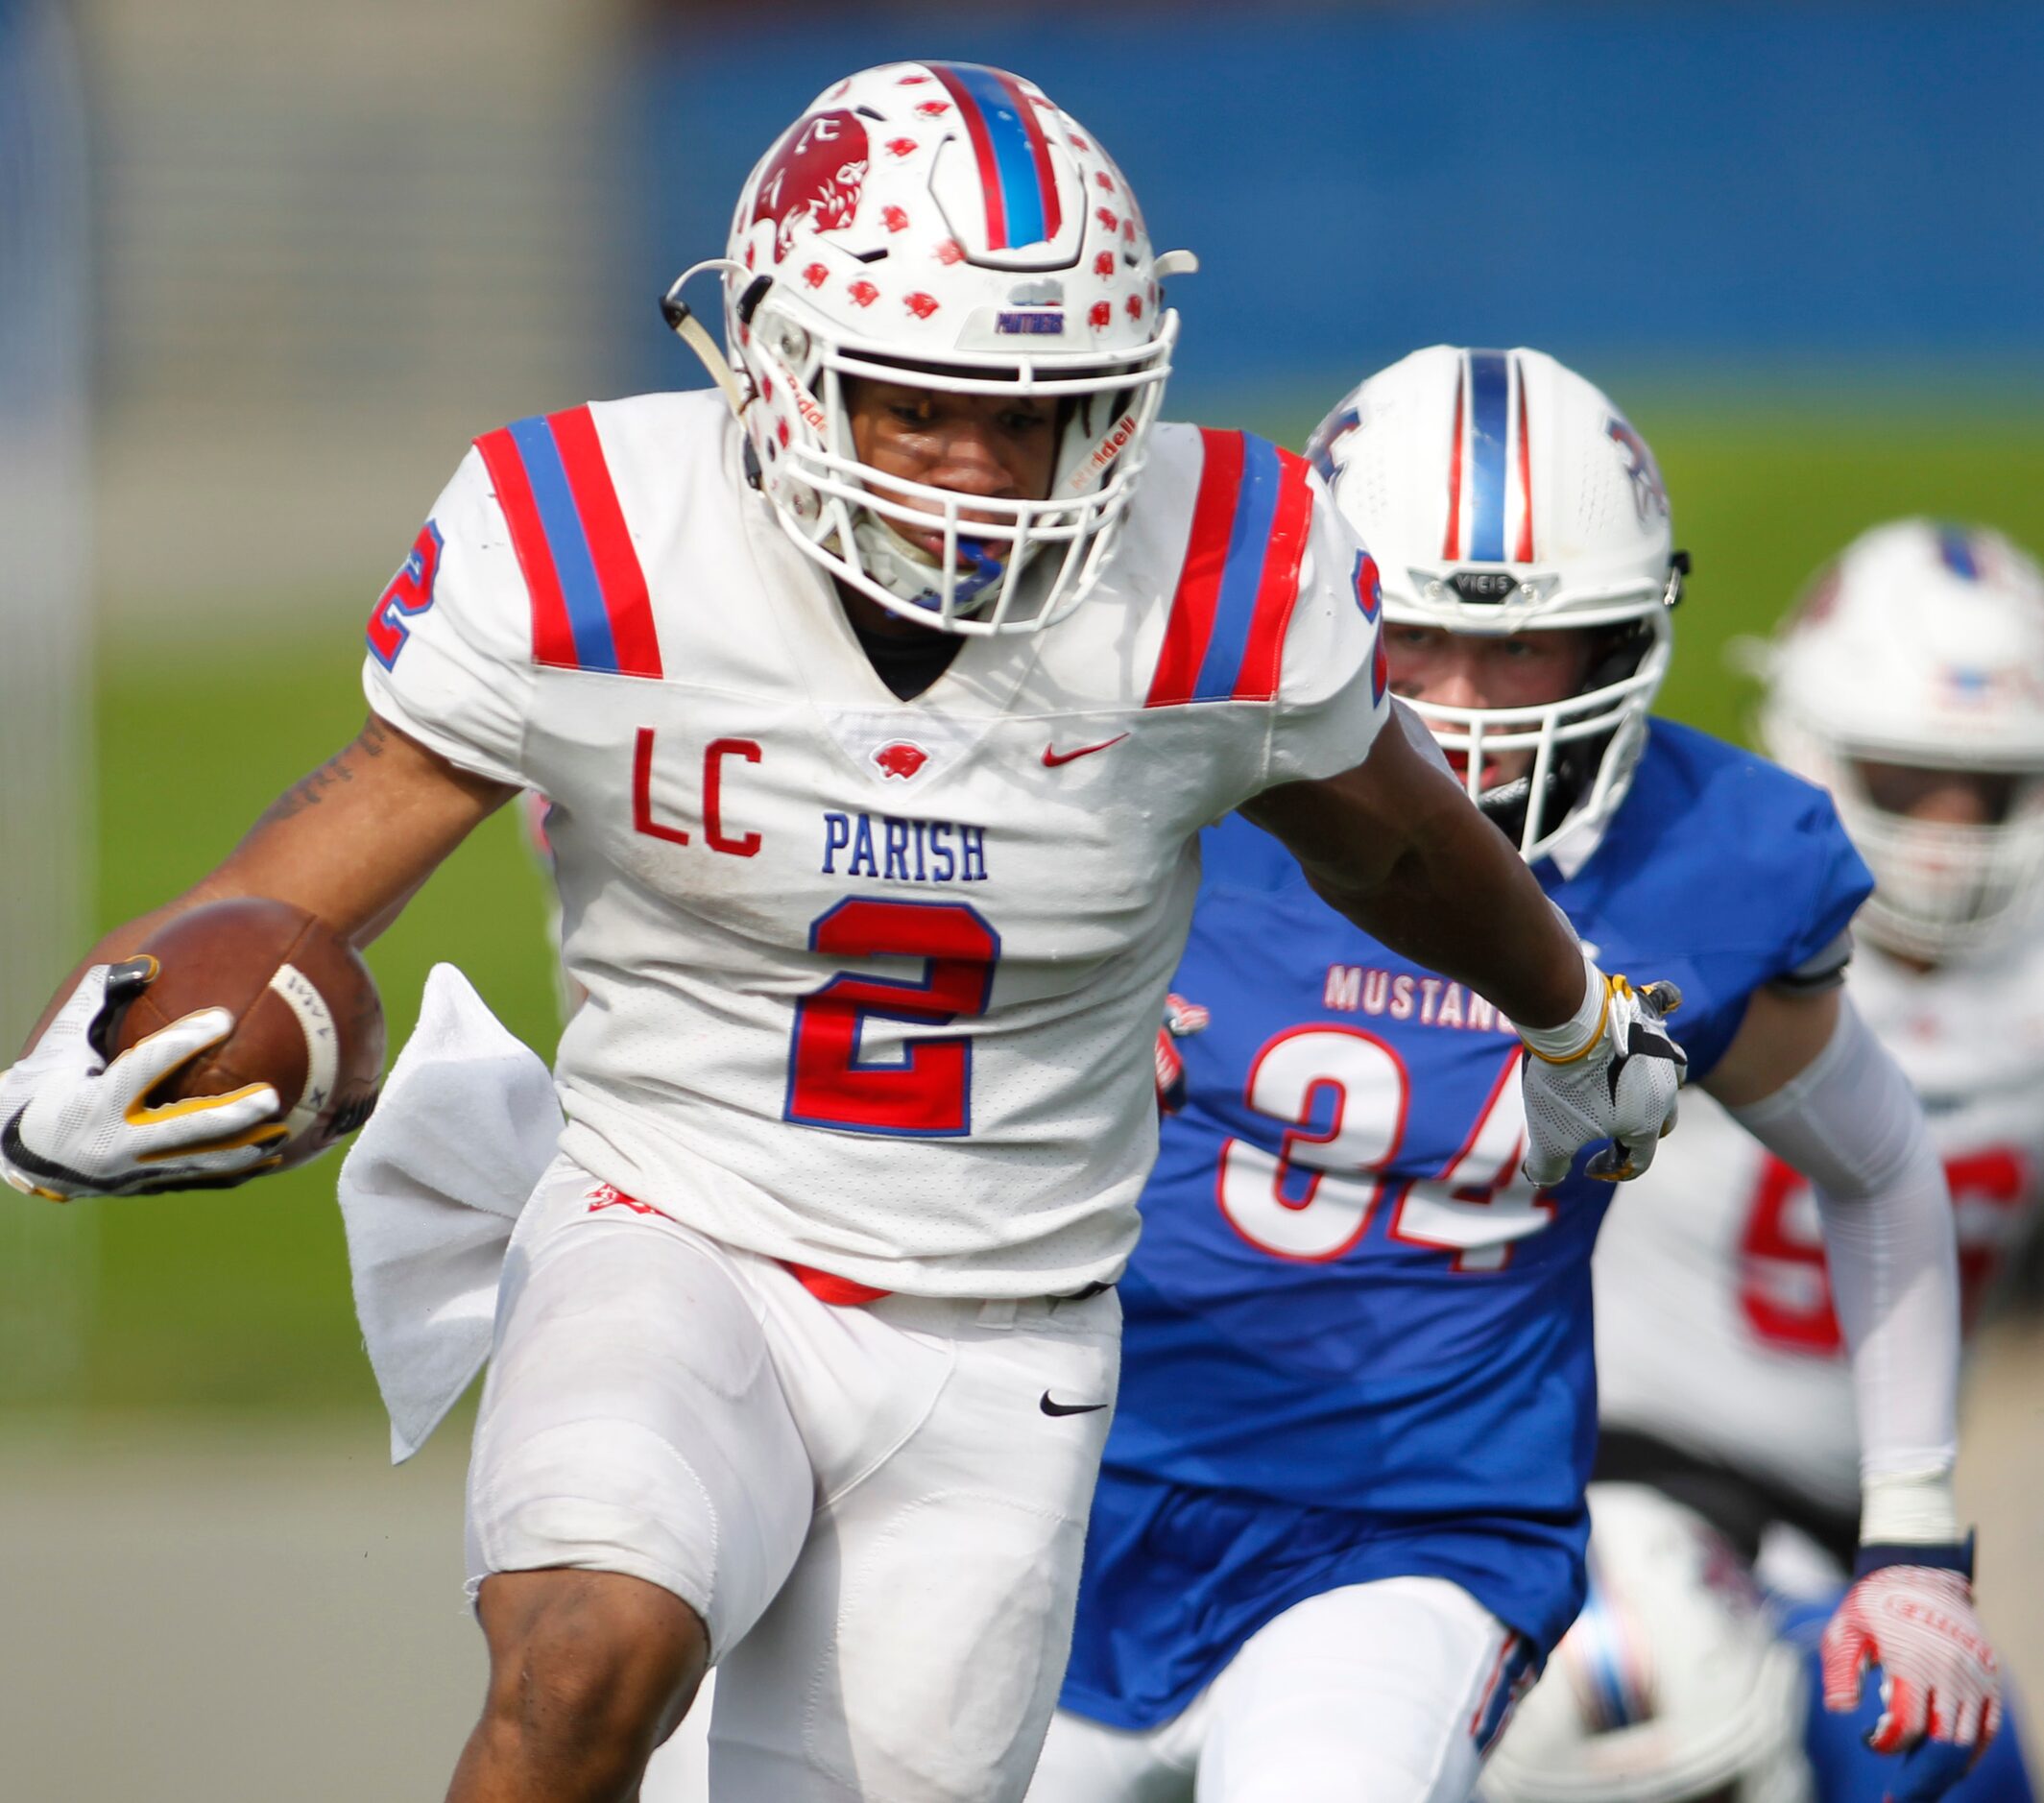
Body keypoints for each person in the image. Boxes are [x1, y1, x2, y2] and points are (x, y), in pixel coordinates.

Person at [0, 70, 1680, 1803]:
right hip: (677, 1216)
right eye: (916, 405)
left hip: (1006, 1320)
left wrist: (1571, 1022)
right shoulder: (596, 535)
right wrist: (86, 1047)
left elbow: (1401, 842)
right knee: (587, 1655)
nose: (978, 469)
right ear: (783, 366)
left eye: (1031, 415)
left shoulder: (1216, 574)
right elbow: (311, 859)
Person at [1030, 348, 2003, 1803]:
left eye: (1525, 652)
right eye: (1414, 641)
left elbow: (1874, 1163)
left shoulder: (1705, 863)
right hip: (1065, 1480)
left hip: (1414, 1531)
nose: (1466, 709)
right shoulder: (1147, 787)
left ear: (1617, 649)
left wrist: (1913, 1534)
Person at [1572, 518, 2044, 1802]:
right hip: (1617, 1461)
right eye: (1906, 779)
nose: (1947, 830)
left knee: (1961, 1752)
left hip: (1857, 1509)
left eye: (1983, 788)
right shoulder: (1693, 913)